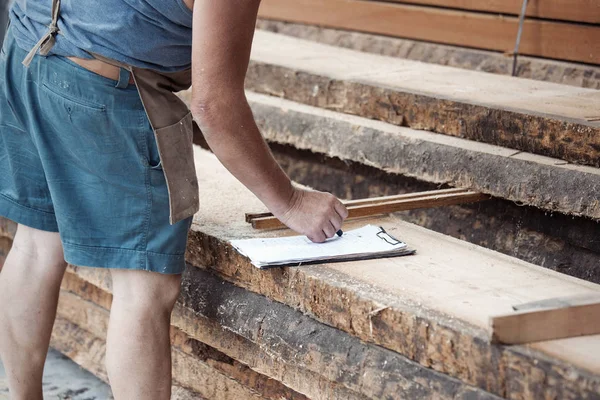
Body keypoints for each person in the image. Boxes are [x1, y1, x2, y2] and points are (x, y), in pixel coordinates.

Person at [0, 0, 348, 399]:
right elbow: (213, 105)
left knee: (36, 245)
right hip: (100, 83)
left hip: (27, 49)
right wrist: (289, 202)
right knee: (143, 288)